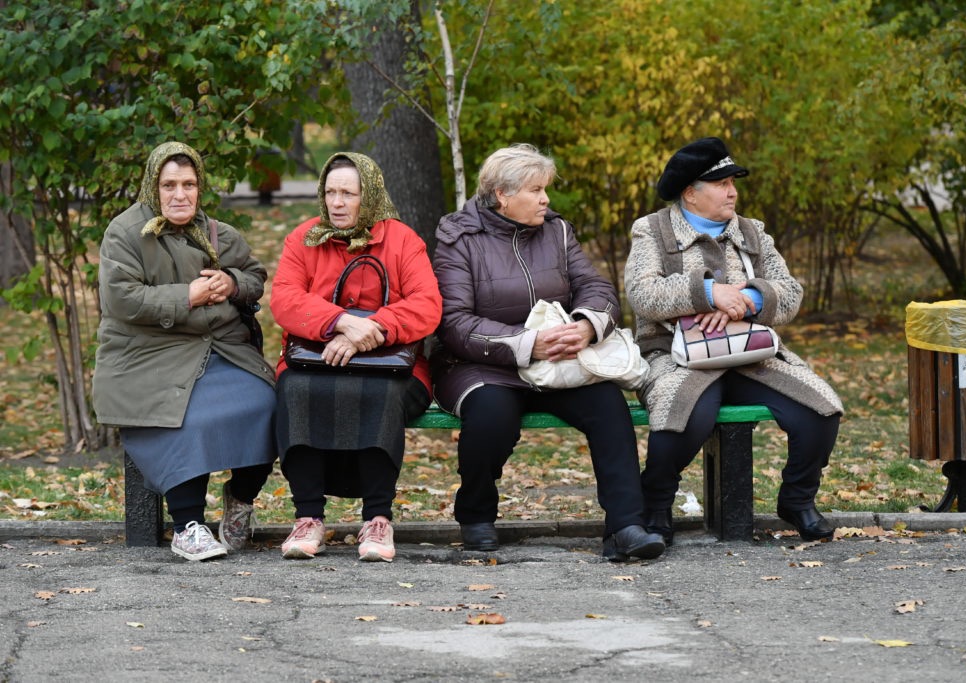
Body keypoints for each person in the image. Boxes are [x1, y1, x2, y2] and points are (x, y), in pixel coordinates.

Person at [432, 144, 665, 561]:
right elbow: (454, 324)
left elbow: (596, 287)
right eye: (536, 190)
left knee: (608, 405)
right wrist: (527, 343)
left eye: (545, 189)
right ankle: (477, 517)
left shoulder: (556, 231)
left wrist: (586, 326)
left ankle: (626, 526)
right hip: (480, 363)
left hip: (559, 362)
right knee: (492, 414)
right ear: (503, 194)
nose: (546, 199)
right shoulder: (459, 238)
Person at [625, 137, 844, 543]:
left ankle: (797, 499)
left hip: (749, 353)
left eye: (733, 182)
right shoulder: (652, 231)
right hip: (675, 355)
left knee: (820, 410)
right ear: (690, 193)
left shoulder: (752, 231)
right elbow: (642, 294)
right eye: (722, 183)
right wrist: (707, 294)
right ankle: (655, 506)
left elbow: (790, 293)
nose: (733, 192)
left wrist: (746, 299)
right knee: (681, 416)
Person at [93, 141, 276, 561]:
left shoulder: (217, 233)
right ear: (152, 187)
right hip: (148, 355)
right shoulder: (125, 233)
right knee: (186, 416)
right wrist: (188, 295)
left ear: (200, 187)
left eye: (189, 184)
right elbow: (122, 300)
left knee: (270, 404)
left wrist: (231, 282)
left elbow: (254, 275)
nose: (180, 195)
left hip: (220, 351)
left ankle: (241, 498)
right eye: (169, 185)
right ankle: (187, 524)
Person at [270, 152, 441, 562]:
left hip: (393, 366)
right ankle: (308, 516)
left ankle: (378, 518)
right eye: (330, 192)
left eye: (349, 193)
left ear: (371, 195)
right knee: (294, 388)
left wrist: (374, 330)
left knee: (377, 392)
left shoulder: (402, 240)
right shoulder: (305, 237)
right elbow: (284, 299)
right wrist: (341, 322)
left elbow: (428, 305)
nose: (337, 202)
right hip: (314, 358)